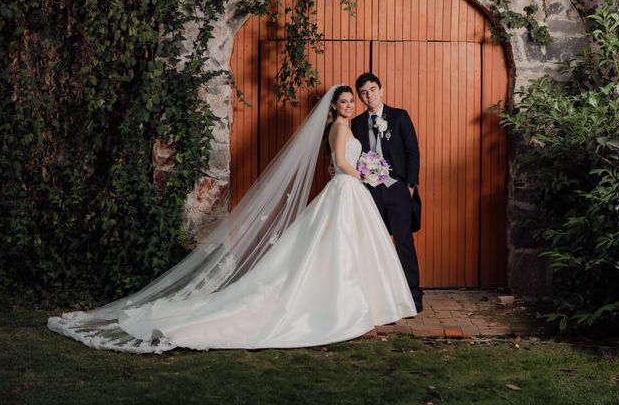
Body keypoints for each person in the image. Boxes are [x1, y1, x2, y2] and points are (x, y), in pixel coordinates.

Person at [48, 85, 416, 353]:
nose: (350, 105)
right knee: (337, 249)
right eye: (345, 101)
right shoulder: (338, 129)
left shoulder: (348, 127)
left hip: (350, 193)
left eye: (352, 101)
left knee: (347, 249)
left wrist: (364, 173)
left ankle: (363, 302)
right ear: (333, 106)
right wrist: (364, 174)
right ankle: (342, 305)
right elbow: (340, 164)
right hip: (347, 188)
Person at [351, 73, 423, 311]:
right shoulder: (357, 123)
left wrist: (410, 186)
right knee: (373, 243)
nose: (369, 95)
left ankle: (413, 296)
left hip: (397, 189)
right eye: (363, 92)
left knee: (403, 241)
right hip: (370, 191)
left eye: (372, 89)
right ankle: (380, 297)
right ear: (360, 97)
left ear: (381, 90)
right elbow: (353, 154)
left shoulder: (400, 116)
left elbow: (413, 151)